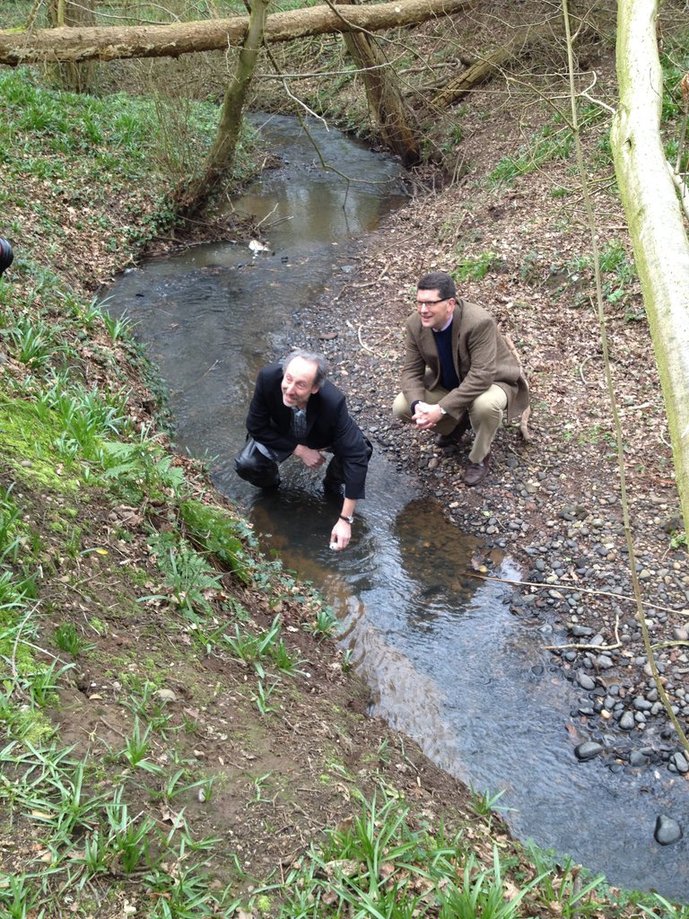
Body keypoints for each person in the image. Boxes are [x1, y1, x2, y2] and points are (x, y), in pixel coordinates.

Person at [393, 270, 529, 486]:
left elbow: (482, 376)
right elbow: (411, 371)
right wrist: (419, 405)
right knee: (402, 405)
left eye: (430, 303)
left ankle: (479, 457)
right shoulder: (414, 324)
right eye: (419, 303)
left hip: (493, 381)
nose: (423, 310)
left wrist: (440, 409)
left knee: (485, 405)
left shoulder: (478, 322)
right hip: (449, 381)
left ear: (450, 304)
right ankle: (457, 424)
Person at [235, 349, 372, 551]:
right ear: (284, 372)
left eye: (300, 385)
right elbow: (256, 426)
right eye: (288, 379)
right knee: (247, 464)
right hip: (281, 433)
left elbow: (356, 455)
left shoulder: (333, 402)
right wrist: (299, 450)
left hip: (320, 436)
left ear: (315, 388)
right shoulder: (267, 378)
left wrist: (345, 519)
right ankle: (271, 485)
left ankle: (332, 483)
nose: (289, 389)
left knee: (364, 449)